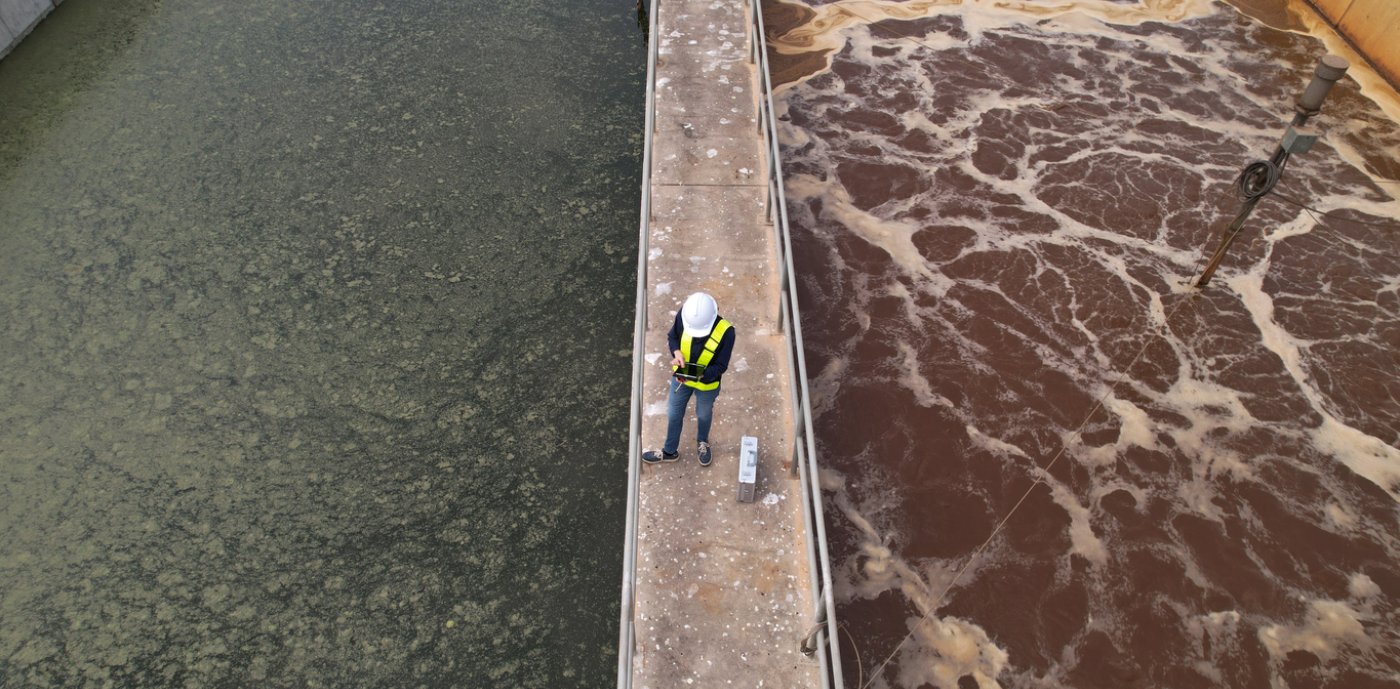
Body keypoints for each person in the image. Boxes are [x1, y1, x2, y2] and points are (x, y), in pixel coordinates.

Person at [642, 292, 736, 467]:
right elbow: (673, 337)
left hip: (707, 385)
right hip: (681, 379)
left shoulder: (727, 332)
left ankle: (702, 442)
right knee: (674, 414)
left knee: (703, 415)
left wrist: (698, 374)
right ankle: (670, 451)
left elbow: (721, 366)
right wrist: (676, 352)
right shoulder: (685, 315)